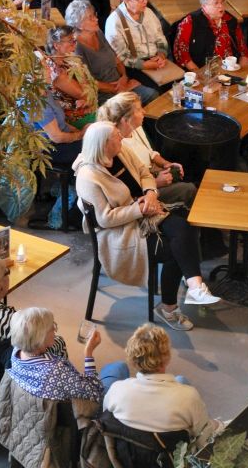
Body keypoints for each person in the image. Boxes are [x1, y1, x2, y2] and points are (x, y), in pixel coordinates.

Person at [73, 122, 221, 332]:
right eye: (117, 136)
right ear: (104, 144)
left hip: (145, 209)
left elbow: (144, 172)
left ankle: (196, 286)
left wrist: (151, 193)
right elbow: (105, 219)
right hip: (121, 231)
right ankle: (169, 308)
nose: (122, 139)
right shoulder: (88, 177)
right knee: (174, 250)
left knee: (184, 226)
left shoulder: (121, 152)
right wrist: (139, 209)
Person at [104, 324, 223, 446]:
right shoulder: (188, 396)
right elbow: (203, 440)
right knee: (181, 381)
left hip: (125, 458)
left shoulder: (117, 389)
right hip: (167, 461)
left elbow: (106, 416)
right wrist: (218, 425)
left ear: (131, 357)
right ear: (167, 357)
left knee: (180, 380)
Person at [97, 92, 196, 208]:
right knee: (189, 189)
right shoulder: (117, 147)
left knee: (189, 171)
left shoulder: (136, 129)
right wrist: (157, 182)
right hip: (142, 193)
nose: (144, 112)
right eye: (139, 110)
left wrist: (166, 164)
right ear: (125, 120)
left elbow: (150, 153)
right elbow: (127, 189)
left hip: (151, 174)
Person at [66, 0, 158, 106]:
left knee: (152, 94)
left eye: (94, 15)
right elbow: (87, 82)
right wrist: (118, 89)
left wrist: (124, 77)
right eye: (91, 18)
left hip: (120, 83)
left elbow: (116, 58)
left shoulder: (98, 32)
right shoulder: (76, 48)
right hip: (103, 93)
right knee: (132, 106)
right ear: (80, 25)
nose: (96, 19)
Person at [8, 306, 104, 401]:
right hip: (72, 408)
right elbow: (95, 392)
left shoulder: (16, 351)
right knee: (115, 368)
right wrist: (89, 353)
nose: (56, 330)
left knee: (59, 341)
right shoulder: (56, 370)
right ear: (41, 338)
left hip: (46, 386)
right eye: (52, 327)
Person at [23, 53, 87, 167]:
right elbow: (57, 137)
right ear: (34, 74)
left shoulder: (44, 92)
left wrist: (78, 130)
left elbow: (60, 121)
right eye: (44, 67)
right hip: (50, 149)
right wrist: (79, 135)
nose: (49, 70)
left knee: (96, 135)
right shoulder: (36, 101)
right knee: (97, 144)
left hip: (61, 139)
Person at [105, 0, 169, 89]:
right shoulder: (114, 21)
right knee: (158, 89)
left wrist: (161, 55)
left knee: (180, 82)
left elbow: (160, 37)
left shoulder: (148, 12)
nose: (145, 2)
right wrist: (144, 65)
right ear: (126, 0)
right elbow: (121, 56)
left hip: (155, 60)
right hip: (134, 67)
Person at [173, 0, 248, 71]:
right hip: (203, 73)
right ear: (204, 5)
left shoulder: (230, 21)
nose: (221, 6)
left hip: (230, 71)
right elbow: (183, 56)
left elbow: (243, 51)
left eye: (222, 2)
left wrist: (243, 73)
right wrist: (199, 75)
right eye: (216, 3)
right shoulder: (190, 22)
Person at [45, 26, 98, 128]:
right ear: (56, 45)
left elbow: (88, 89)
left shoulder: (68, 60)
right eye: (71, 40)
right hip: (73, 119)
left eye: (75, 40)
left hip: (85, 110)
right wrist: (86, 97)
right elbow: (86, 94)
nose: (75, 43)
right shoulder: (56, 70)